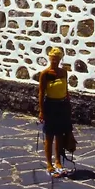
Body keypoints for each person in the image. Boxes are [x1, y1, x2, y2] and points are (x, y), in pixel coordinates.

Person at [38, 46, 74, 177]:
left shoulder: (63, 72)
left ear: (60, 59)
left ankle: (58, 161)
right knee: (49, 136)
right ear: (49, 59)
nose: (54, 62)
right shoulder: (45, 74)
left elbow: (66, 90)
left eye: (57, 59)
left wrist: (68, 106)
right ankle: (49, 164)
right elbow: (41, 93)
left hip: (62, 105)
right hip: (50, 106)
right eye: (52, 59)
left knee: (60, 135)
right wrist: (41, 111)